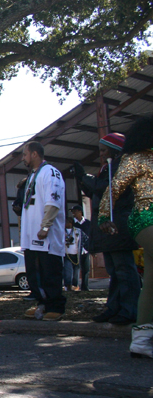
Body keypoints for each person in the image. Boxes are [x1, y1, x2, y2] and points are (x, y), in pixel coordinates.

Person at [98, 116, 153, 358]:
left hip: (143, 222)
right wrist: (102, 218)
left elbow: (112, 190)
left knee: (150, 279)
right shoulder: (135, 158)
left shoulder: (139, 158)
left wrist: (102, 217)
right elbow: (112, 190)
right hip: (146, 218)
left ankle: (141, 340)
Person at [73, 132, 139, 324]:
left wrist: (84, 177)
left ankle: (129, 310)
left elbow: (105, 188)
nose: (100, 153)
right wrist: (83, 180)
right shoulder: (107, 167)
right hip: (108, 226)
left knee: (124, 270)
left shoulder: (122, 165)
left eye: (103, 149)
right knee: (115, 270)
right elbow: (96, 190)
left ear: (115, 149)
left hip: (118, 225)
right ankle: (114, 307)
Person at [19, 142, 67, 321]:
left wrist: (45, 226)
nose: (23, 158)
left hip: (45, 236)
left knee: (50, 271)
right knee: (35, 273)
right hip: (31, 236)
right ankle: (42, 304)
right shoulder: (32, 176)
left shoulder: (51, 173)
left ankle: (56, 306)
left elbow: (53, 201)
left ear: (34, 154)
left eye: (25, 155)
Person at [71, 205, 91, 291]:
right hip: (76, 249)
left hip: (85, 250)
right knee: (76, 268)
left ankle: (85, 287)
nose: (73, 214)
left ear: (80, 212)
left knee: (86, 268)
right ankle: (75, 286)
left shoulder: (88, 223)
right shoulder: (73, 224)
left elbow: (91, 236)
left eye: (75, 211)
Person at [63, 217, 81, 291]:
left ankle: (75, 285)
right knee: (68, 270)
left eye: (67, 222)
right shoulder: (62, 231)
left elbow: (82, 241)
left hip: (76, 254)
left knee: (76, 272)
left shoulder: (77, 231)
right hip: (67, 253)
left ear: (70, 223)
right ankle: (68, 286)